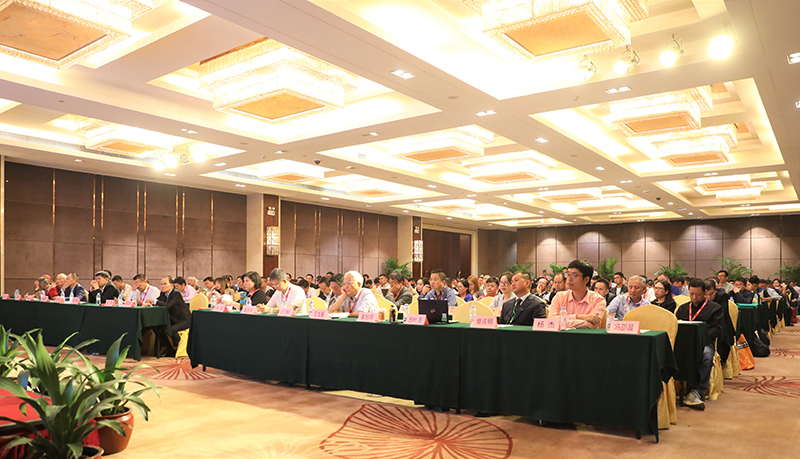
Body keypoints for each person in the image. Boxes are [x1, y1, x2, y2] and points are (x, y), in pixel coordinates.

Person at [675, 278, 724, 410]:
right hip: (684, 344)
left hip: (704, 343)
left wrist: (699, 337)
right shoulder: (683, 308)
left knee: (706, 356)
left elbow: (717, 329)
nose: (694, 297)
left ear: (705, 293)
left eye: (698, 294)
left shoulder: (715, 308)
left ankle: (697, 392)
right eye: (692, 294)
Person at [548, 260, 605, 329]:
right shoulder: (559, 297)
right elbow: (551, 321)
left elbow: (591, 326)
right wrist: (580, 317)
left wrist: (563, 321)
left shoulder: (598, 300)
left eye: (574, 275)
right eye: (568, 275)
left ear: (586, 280)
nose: (569, 279)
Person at [144, 277, 190, 357]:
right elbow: (158, 302)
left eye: (165, 284)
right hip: (171, 319)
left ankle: (176, 348)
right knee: (157, 327)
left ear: (171, 285)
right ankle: (169, 349)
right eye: (161, 284)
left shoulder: (176, 294)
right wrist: (149, 304)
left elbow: (168, 306)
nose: (162, 286)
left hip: (183, 320)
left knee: (170, 330)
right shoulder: (163, 294)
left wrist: (155, 301)